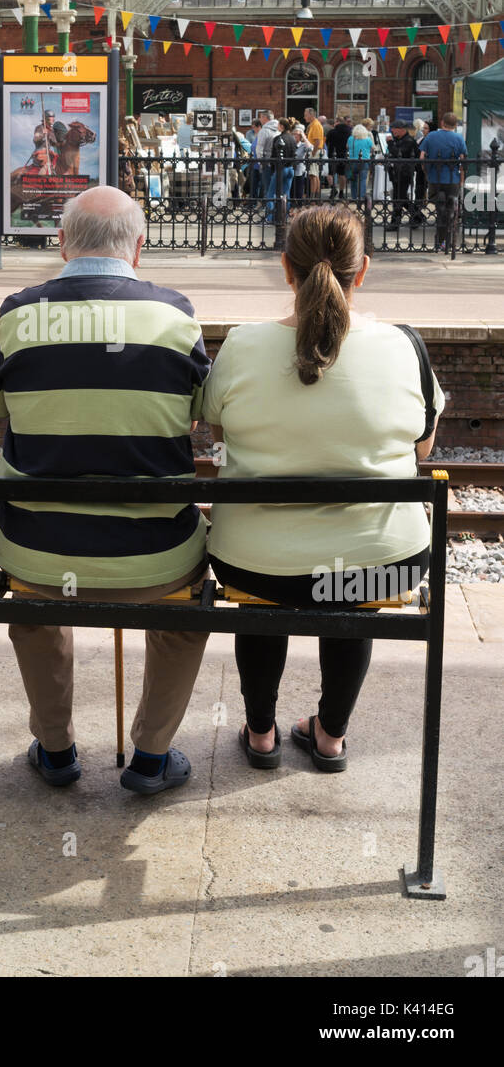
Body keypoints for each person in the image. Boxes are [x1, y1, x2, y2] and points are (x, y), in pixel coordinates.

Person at [202, 205, 444, 769]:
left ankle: (261, 733)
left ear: (285, 268)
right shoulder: (405, 345)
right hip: (384, 563)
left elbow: (218, 429)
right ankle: (330, 735)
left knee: (265, 600)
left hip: (253, 562)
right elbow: (421, 450)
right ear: (363, 271)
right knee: (351, 590)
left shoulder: (241, 344)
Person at [0, 186, 211, 796]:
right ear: (138, 249)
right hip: (155, 557)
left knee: (36, 611)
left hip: (39, 551)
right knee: (185, 616)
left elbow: (6, 414)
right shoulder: (176, 315)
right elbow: (194, 419)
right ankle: (150, 757)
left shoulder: (17, 313)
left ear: (61, 243)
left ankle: (56, 750)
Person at [420, 111, 467, 252]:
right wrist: (462, 180)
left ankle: (439, 241)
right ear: (455, 124)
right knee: (451, 210)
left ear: (442, 122)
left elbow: (421, 157)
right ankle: (447, 241)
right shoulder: (459, 138)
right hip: (452, 179)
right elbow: (463, 161)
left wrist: (427, 172)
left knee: (440, 210)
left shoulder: (431, 136)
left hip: (435, 178)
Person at [386, 119, 423, 229]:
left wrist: (390, 143)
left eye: (394, 128)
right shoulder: (399, 139)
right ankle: (418, 217)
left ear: (401, 129)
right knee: (401, 198)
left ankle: (395, 223)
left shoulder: (408, 141)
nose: (392, 130)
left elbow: (398, 153)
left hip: (404, 173)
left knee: (399, 198)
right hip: (396, 173)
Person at [264, 117, 296, 223]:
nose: (277, 126)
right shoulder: (292, 138)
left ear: (282, 126)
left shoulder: (278, 138)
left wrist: (273, 169)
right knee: (286, 195)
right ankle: (284, 217)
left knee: (270, 194)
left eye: (278, 125)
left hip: (280, 169)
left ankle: (270, 218)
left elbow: (274, 156)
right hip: (290, 168)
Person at [325, 114, 352, 200]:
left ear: (337, 122)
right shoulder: (349, 131)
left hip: (332, 154)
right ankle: (341, 192)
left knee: (330, 174)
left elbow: (327, 142)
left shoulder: (332, 132)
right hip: (343, 154)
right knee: (342, 174)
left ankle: (333, 189)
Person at [256, 109, 280, 200]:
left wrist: (260, 162)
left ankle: (269, 211)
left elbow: (259, 148)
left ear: (264, 117)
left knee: (268, 188)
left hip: (266, 161)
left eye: (261, 117)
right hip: (277, 162)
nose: (260, 120)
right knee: (276, 188)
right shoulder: (278, 129)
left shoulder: (264, 131)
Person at [347, 123, 374, 201]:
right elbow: (372, 148)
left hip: (353, 161)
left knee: (353, 180)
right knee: (363, 179)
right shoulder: (368, 139)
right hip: (364, 161)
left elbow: (347, 147)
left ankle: (354, 197)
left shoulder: (351, 138)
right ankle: (361, 197)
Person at [304, 107, 325, 197]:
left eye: (305, 115)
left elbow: (317, 141)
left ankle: (313, 197)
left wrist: (313, 153)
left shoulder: (316, 125)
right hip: (314, 150)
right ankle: (315, 196)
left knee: (313, 175)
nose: (304, 117)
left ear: (311, 115)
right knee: (314, 174)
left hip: (314, 151)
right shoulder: (313, 124)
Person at [292, 124, 313, 202]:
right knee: (291, 191)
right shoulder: (291, 143)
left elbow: (310, 148)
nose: (295, 136)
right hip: (291, 169)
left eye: (297, 135)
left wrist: (304, 137)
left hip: (299, 171)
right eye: (294, 134)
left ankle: (299, 206)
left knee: (299, 191)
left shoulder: (303, 145)